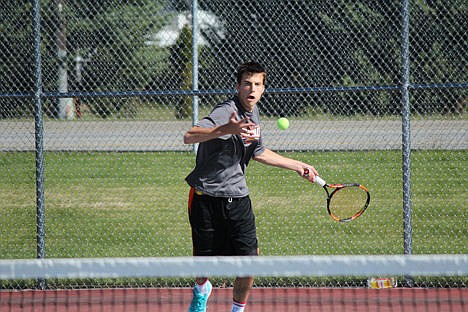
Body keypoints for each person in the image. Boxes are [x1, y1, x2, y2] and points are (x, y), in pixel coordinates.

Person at [184, 61, 319, 312]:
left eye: (257, 84)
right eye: (247, 83)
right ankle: (201, 290)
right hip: (206, 196)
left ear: (263, 89)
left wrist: (297, 165)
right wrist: (227, 128)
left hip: (238, 198)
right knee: (203, 264)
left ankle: (238, 310)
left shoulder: (253, 113)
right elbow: (189, 135)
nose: (252, 89)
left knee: (250, 260)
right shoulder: (227, 110)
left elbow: (258, 151)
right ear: (238, 86)